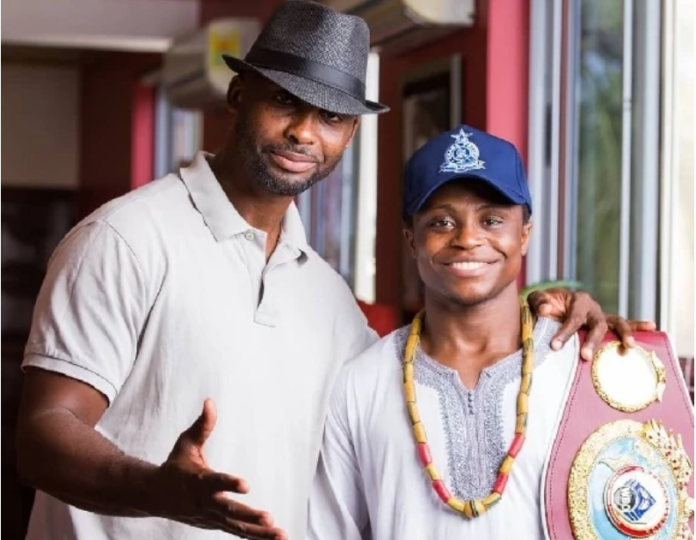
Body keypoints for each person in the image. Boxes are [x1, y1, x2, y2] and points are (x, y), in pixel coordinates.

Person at [15, 3, 650, 540]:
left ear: (349, 134)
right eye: (285, 102)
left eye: (331, 117)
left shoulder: (331, 303)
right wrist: (158, 490)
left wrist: (560, 306)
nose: (303, 132)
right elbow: (44, 432)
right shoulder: (126, 240)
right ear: (239, 95)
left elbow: (431, 360)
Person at [306, 125, 649, 539]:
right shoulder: (361, 384)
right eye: (442, 222)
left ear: (523, 235)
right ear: (411, 239)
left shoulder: (584, 366)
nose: (468, 238)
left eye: (492, 219)